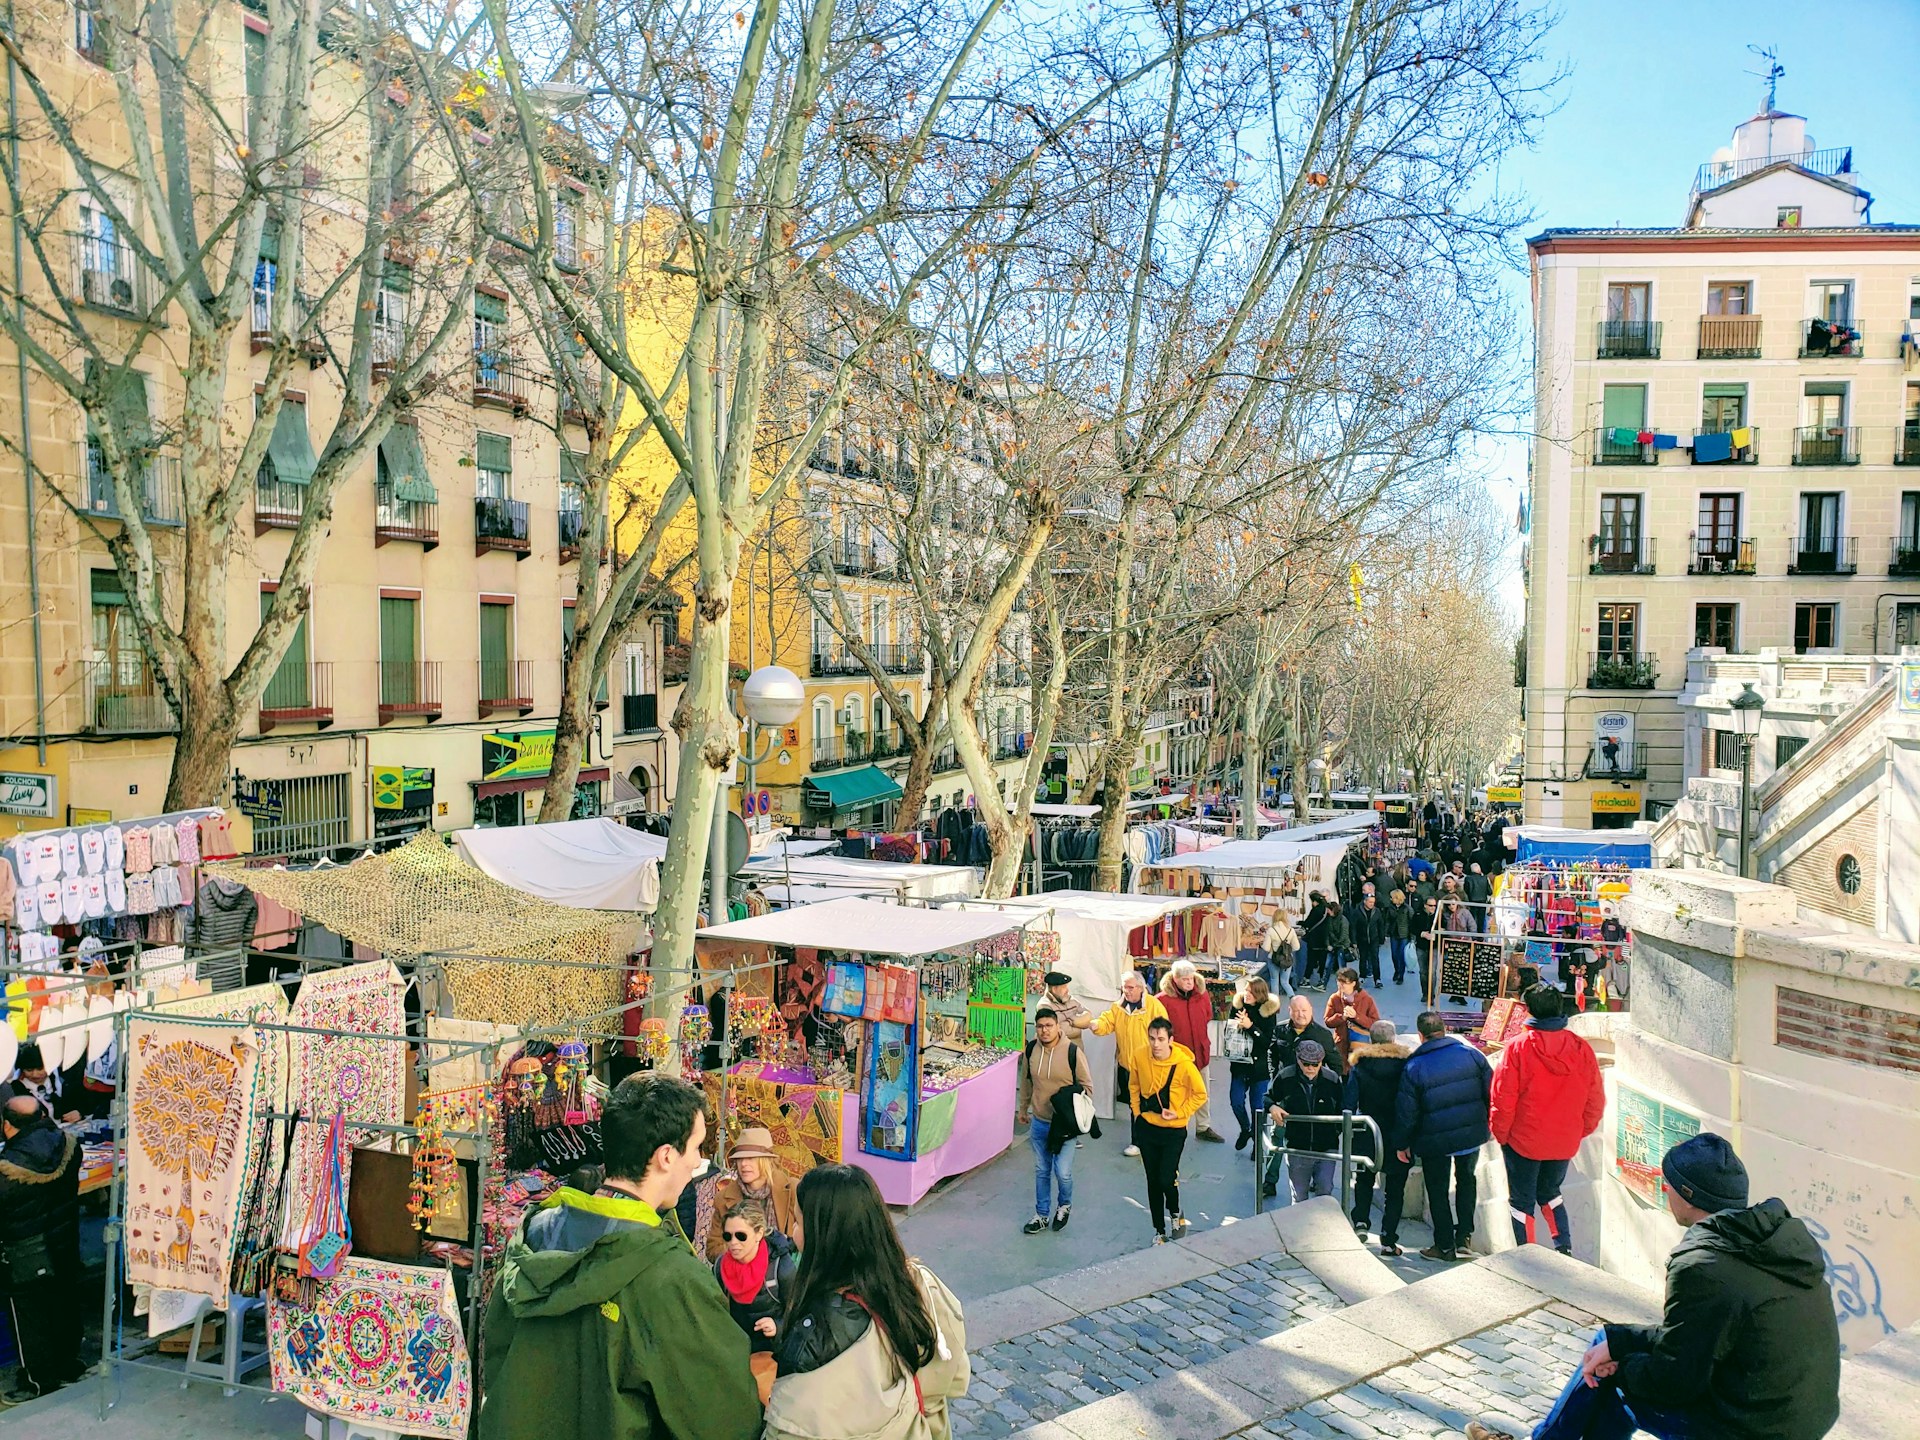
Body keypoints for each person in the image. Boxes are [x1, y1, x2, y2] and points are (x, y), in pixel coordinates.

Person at [1468, 1134, 1840, 1440]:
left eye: (1670, 1184)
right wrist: (1620, 1340)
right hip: (1800, 1417)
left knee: (1610, 1387)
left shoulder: (1703, 1265)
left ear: (1688, 1195)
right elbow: (1698, 1336)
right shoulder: (1771, 1241)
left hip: (1750, 1430)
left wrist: (1621, 1367)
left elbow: (1674, 1382)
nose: (1665, 1190)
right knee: (1605, 1343)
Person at [480, 1073, 761, 1440]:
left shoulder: (534, 1234)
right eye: (695, 1147)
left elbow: (497, 1356)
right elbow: (726, 1420)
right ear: (665, 1156)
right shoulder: (671, 1276)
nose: (697, 1162)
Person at [764, 1164, 969, 1440]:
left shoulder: (819, 1334)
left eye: (798, 1222)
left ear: (824, 1236)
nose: (793, 1233)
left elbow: (791, 1426)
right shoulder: (919, 1283)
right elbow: (955, 1374)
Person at [1489, 985, 1605, 1256]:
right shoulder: (1581, 1048)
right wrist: (1578, 1130)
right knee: (1551, 1192)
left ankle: (1528, 1257)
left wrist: (1502, 1134)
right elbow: (1595, 1099)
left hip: (1523, 1140)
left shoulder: (1518, 1047)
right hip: (1564, 1139)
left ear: (1529, 1010)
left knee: (1521, 1202)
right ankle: (1563, 1248)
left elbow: (1502, 1098)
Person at [0, 1096, 83, 1402]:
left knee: (30, 1319)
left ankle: (38, 1380)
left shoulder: (8, 1170)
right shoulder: (69, 1147)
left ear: (8, 1126)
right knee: (63, 1304)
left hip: (25, 1251)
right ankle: (69, 1365)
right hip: (63, 1241)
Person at [1393, 1010, 1492, 1262]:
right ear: (1444, 1029)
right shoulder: (1472, 1056)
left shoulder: (1414, 1066)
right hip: (1470, 1134)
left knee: (1437, 1190)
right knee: (1466, 1181)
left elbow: (1407, 1112)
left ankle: (1445, 1244)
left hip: (1434, 1139)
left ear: (1420, 1035)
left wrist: (1402, 1143)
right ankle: (1464, 1238)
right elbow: (1490, 1092)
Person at [1127, 1017, 1206, 1243]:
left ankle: (1174, 1211)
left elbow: (1200, 1094)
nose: (1156, 1044)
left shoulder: (1184, 1065)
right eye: (1152, 1038)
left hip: (1173, 1131)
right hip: (1147, 1128)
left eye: (1161, 1039)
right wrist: (1137, 1112)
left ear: (1171, 1040)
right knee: (1152, 1181)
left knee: (1166, 1178)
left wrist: (1180, 1113)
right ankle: (1159, 1230)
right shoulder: (1139, 1056)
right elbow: (1133, 1085)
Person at [714, 1198, 798, 1404]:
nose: (733, 1243)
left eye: (741, 1236)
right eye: (728, 1236)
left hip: (773, 1357)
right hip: (736, 1354)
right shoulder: (720, 1267)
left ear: (759, 1234)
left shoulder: (781, 1269)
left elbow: (800, 1313)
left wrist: (777, 1326)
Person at [1015, 1006, 1091, 1234]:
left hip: (1064, 1125)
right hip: (1039, 1121)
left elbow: (1087, 1086)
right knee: (1041, 1169)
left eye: (1049, 1026)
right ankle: (1041, 1214)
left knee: (1062, 1171)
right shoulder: (1031, 1050)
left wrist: (1077, 1113)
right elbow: (1026, 1080)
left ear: (1058, 1027)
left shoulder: (1072, 1052)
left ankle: (1065, 1205)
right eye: (1039, 1027)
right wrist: (1023, 1108)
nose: (1044, 1031)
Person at [1074, 970, 1165, 1158]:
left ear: (1141, 988)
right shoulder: (1118, 1007)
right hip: (1128, 1066)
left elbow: (1163, 1030)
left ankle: (1156, 1140)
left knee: (1154, 1103)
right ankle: (1137, 1142)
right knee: (1135, 1106)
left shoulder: (1154, 1006)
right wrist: (1095, 1024)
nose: (1127, 991)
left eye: (1131, 987)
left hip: (1151, 1065)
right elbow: (1107, 1022)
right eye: (1124, 987)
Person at [1344, 1021, 1413, 1250]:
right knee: (1395, 1189)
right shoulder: (1406, 1066)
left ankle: (1361, 1222)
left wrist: (1347, 1132)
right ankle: (1388, 1237)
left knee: (1363, 1181)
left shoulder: (1360, 1066)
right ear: (1394, 1039)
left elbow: (1349, 1102)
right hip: (1397, 1134)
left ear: (1370, 1040)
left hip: (1367, 1131)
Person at [1264, 1039, 1345, 1203]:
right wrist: (1272, 1107)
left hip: (1326, 1146)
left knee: (1325, 1191)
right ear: (1298, 1060)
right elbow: (1267, 1097)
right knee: (1299, 1197)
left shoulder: (1332, 1079)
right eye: (1306, 1063)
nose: (1311, 1068)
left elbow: (1343, 1109)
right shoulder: (1286, 1077)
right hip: (1297, 1146)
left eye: (1316, 1064)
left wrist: (1335, 1131)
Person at [708, 1126, 801, 1258]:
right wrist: (743, 1251)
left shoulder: (792, 1189)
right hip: (742, 1272)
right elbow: (713, 1248)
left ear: (766, 1160)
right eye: (739, 1159)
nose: (744, 1164)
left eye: (751, 1158)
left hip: (785, 1270)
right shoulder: (723, 1198)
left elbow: (808, 1236)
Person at [1158, 961, 1224, 1143]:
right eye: (1185, 979)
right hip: (1177, 1057)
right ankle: (1177, 1126)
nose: (1189, 982)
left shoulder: (1201, 995)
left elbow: (1208, 1016)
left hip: (1200, 1052)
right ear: (1175, 979)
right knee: (1176, 1093)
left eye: (1191, 978)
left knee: (1202, 1091)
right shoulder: (1162, 1000)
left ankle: (1203, 1127)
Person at [1224, 976, 1280, 1151]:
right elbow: (1230, 1031)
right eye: (1246, 990)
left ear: (1259, 993)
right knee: (1236, 1101)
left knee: (1258, 1108)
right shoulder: (1238, 1007)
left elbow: (1266, 1042)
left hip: (1259, 1068)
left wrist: (1250, 1027)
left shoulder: (1268, 1013)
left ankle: (1257, 1142)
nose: (1246, 994)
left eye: (1251, 991)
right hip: (1240, 1064)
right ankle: (1245, 1129)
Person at [1270, 993, 1345, 1083]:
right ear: (1290, 1010)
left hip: (1311, 1088)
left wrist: (1325, 1085)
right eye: (1297, 1011)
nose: (1301, 1014)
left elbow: (1336, 1065)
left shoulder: (1322, 1035)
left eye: (1304, 1010)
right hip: (1285, 1085)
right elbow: (1272, 1054)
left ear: (1311, 1010)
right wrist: (1274, 1076)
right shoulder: (1279, 1029)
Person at [4, 1043, 81, 1125]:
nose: (35, 1074)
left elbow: (81, 1098)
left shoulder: (62, 1077)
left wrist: (79, 1112)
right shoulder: (14, 1089)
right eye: (29, 1070)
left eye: (40, 1068)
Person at [1321, 968, 1380, 1067]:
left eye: (1344, 982)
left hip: (1360, 1046)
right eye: (1339, 981)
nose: (1340, 985)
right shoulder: (1334, 998)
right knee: (1344, 1074)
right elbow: (1327, 1021)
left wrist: (1357, 1016)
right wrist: (1342, 1017)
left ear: (1353, 983)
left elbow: (1375, 1023)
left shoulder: (1366, 999)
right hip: (1341, 1044)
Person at [1347, 892, 1385, 985]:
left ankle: (1377, 979)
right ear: (1365, 901)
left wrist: (1381, 938)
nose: (1372, 904)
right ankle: (1362, 975)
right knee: (1363, 958)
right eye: (1370, 902)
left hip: (1374, 939)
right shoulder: (1357, 912)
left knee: (1375, 959)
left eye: (1373, 902)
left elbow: (1380, 925)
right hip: (1362, 939)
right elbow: (1353, 927)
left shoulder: (1377, 911)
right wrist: (1354, 941)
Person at [1383, 888, 1414, 985]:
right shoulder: (1390, 908)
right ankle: (1396, 970)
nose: (1390, 899)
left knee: (1401, 955)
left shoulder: (1407, 908)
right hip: (1394, 934)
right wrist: (1385, 933)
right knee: (1394, 955)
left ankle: (1401, 975)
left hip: (1404, 934)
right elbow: (1387, 921)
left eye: (1392, 897)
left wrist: (1412, 937)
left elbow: (1412, 922)